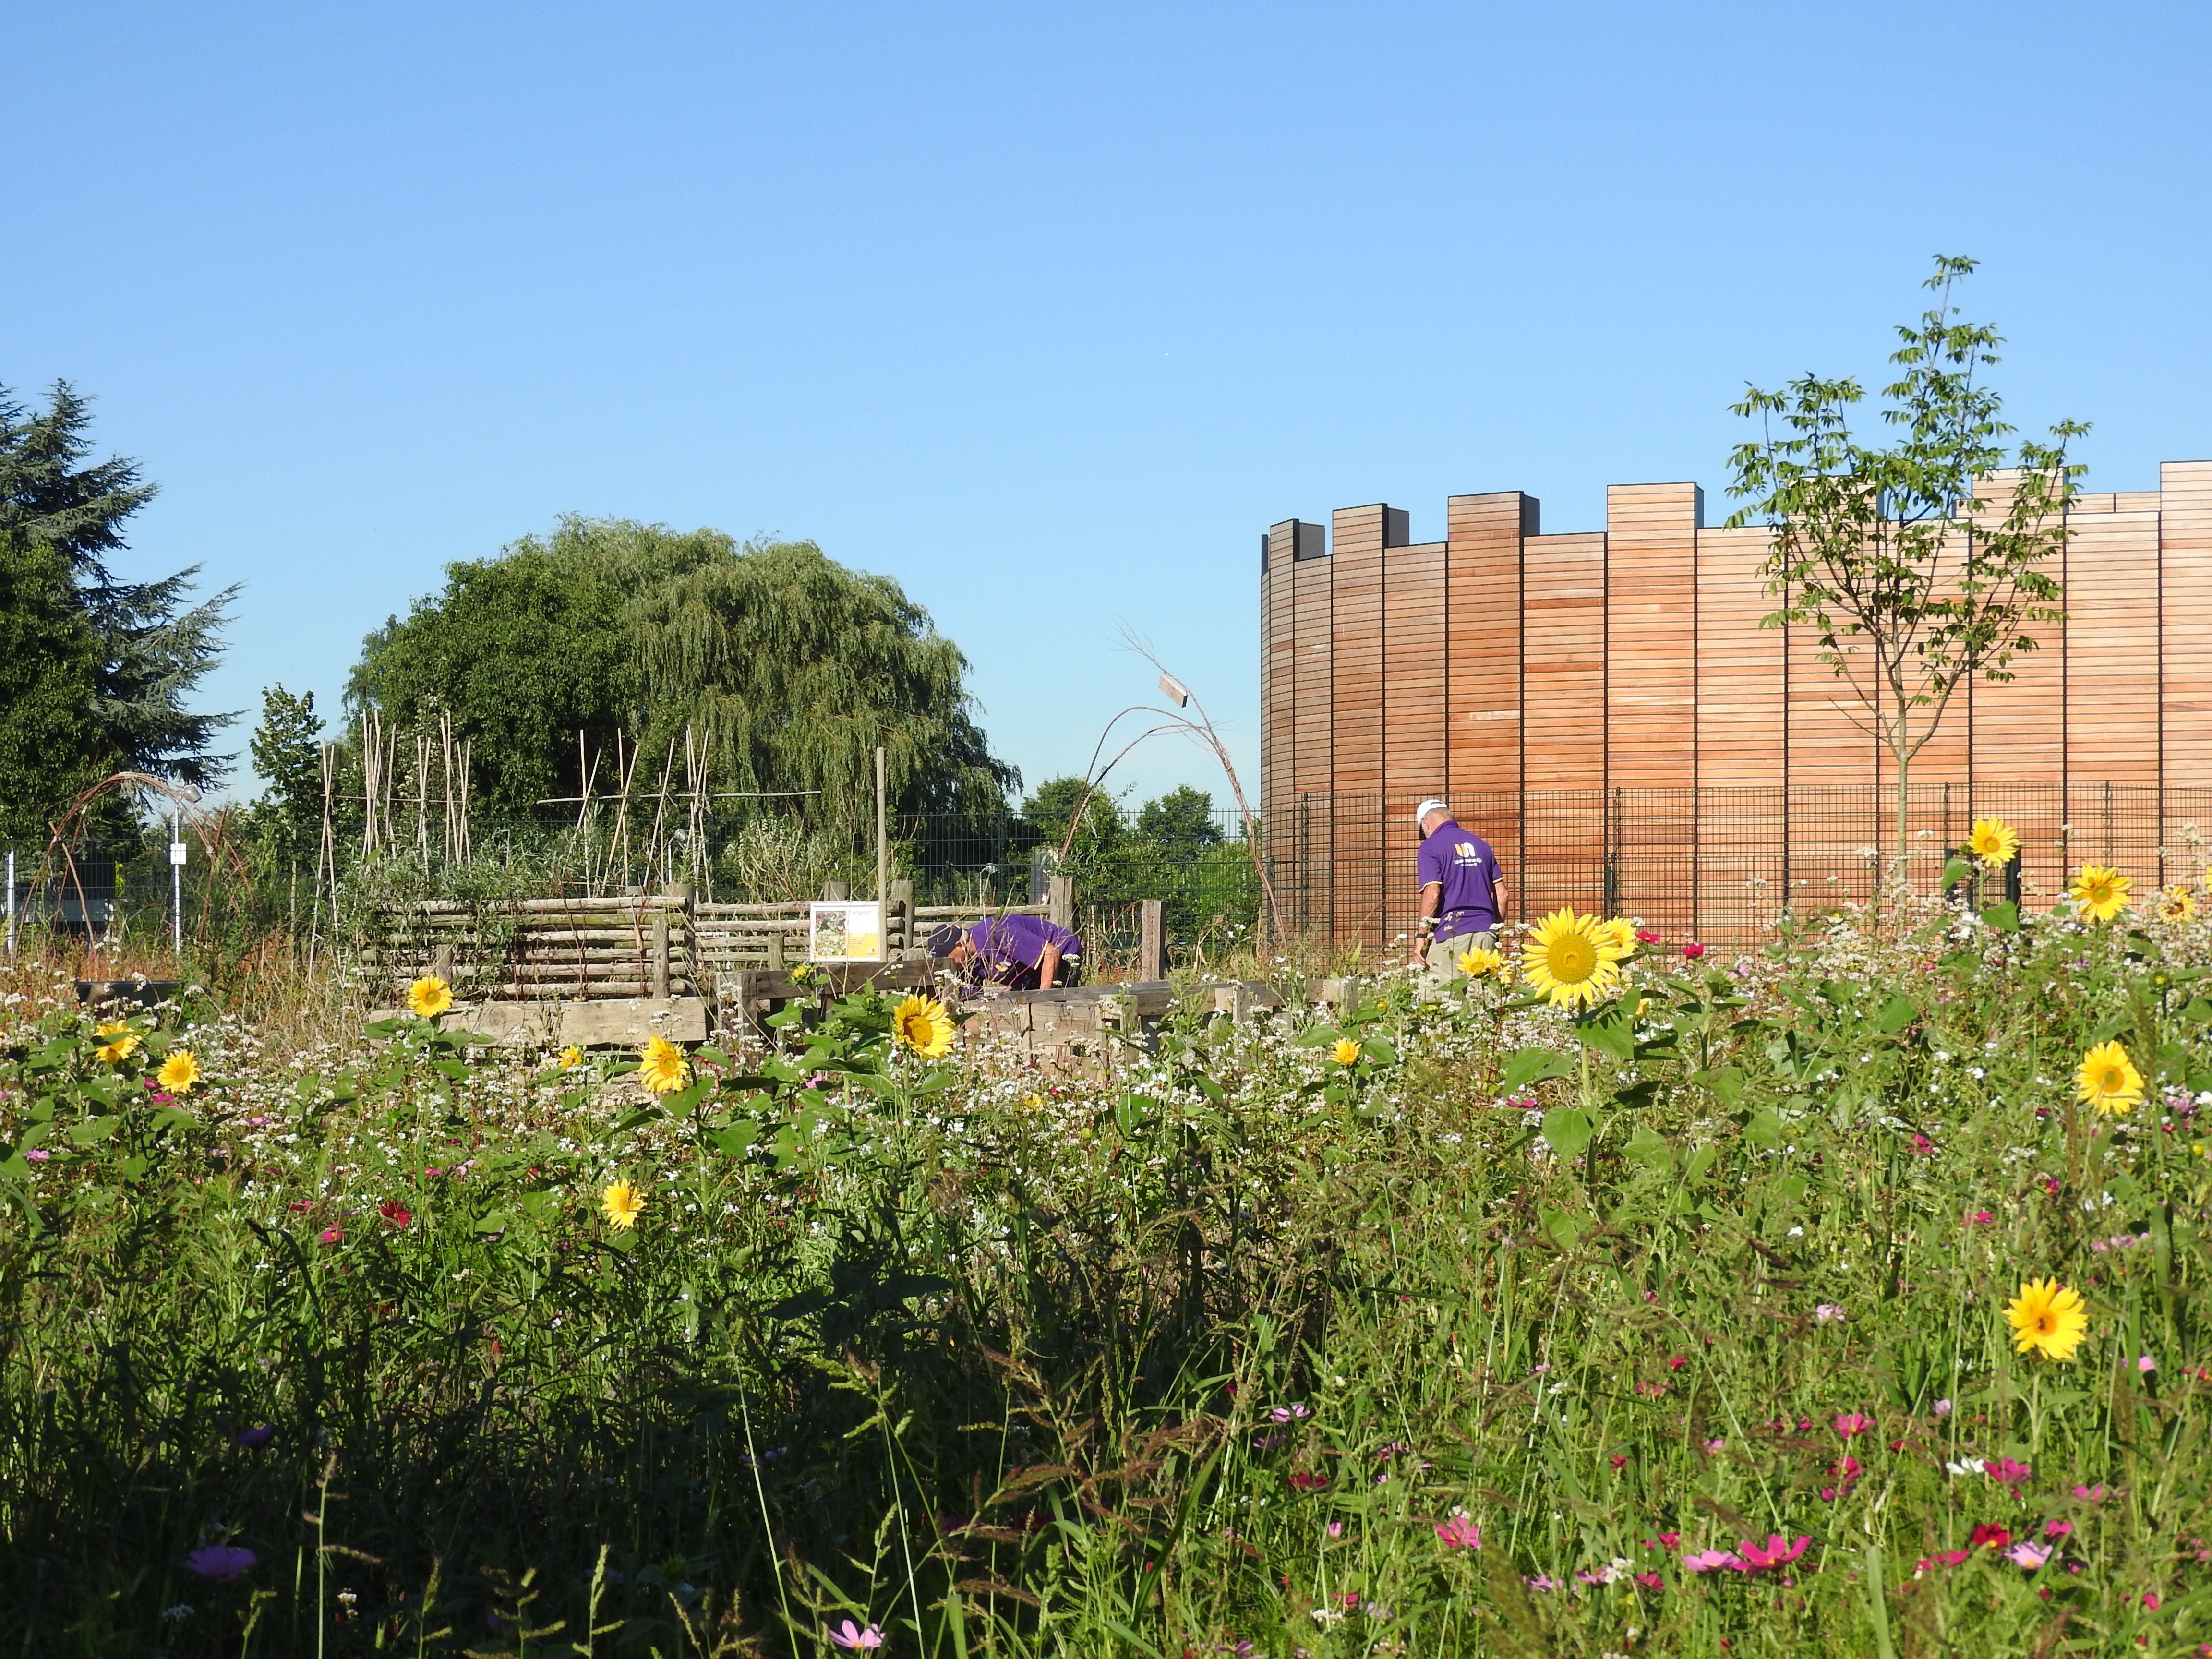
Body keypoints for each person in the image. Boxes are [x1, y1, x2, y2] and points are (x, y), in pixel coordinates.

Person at [1407, 798, 1507, 977]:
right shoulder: (1481, 845)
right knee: (1482, 993)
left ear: (1426, 822)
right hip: (1486, 932)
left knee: (1436, 992)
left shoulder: (1430, 847)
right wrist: (1495, 931)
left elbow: (1433, 893)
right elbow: (1502, 894)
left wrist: (1421, 936)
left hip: (1451, 934)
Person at [927, 913, 1083, 991]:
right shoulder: (968, 962)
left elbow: (1051, 953)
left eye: (947, 959)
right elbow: (968, 998)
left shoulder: (998, 933)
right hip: (1028, 973)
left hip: (1062, 954)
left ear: (960, 945)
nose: (948, 966)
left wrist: (1042, 1001)